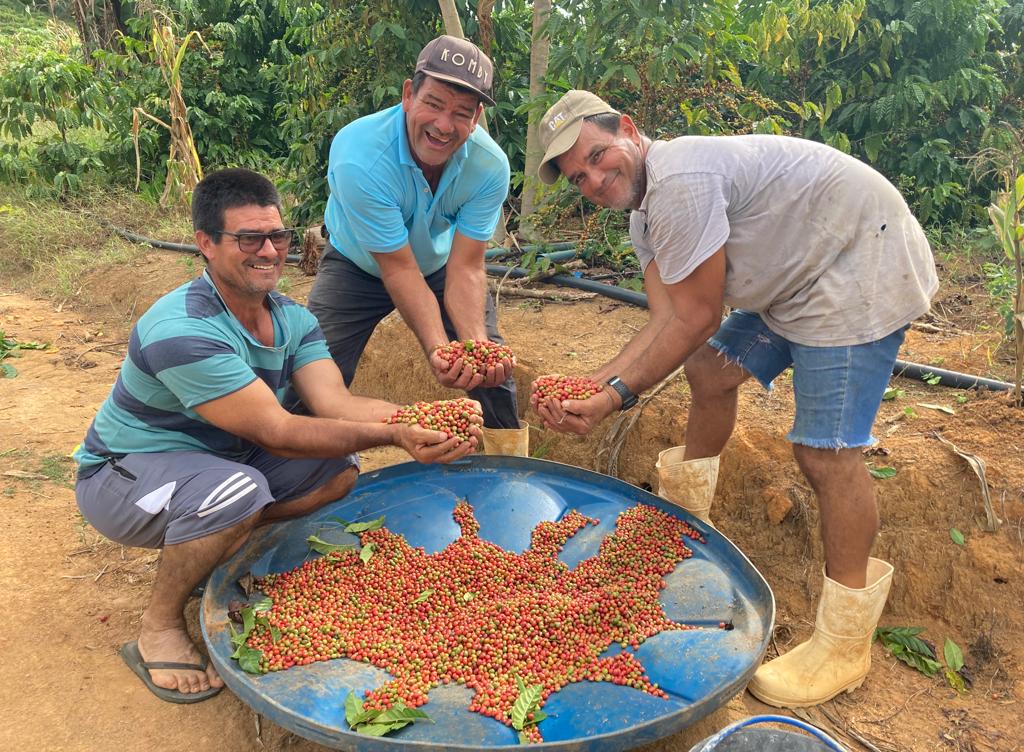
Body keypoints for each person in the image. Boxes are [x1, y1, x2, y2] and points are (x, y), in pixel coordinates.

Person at [532, 90, 938, 708]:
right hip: (797, 272)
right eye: (576, 175)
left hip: (857, 259)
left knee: (825, 454)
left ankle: (844, 645)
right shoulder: (645, 216)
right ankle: (685, 524)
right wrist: (598, 380)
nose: (592, 177)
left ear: (629, 131)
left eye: (596, 155)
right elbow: (663, 316)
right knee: (712, 372)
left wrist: (614, 396)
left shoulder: (682, 180)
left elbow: (695, 316)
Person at [74, 168, 482, 704]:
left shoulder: (291, 318)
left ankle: (215, 538)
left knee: (338, 471)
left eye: (277, 237)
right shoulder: (184, 328)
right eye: (249, 239)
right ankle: (159, 625)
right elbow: (280, 431)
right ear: (206, 244)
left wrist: (421, 416)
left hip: (221, 464)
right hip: (123, 475)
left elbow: (335, 405)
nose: (268, 251)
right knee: (238, 493)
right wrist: (397, 436)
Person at [307, 35, 528, 456]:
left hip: (440, 263)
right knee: (314, 369)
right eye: (434, 103)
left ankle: (510, 466)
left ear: (477, 116)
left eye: (462, 113)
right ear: (409, 95)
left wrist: (472, 346)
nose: (445, 125)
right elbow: (398, 269)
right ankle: (306, 471)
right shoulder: (360, 156)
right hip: (358, 263)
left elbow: (466, 266)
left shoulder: (489, 166)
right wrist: (437, 350)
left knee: (493, 369)